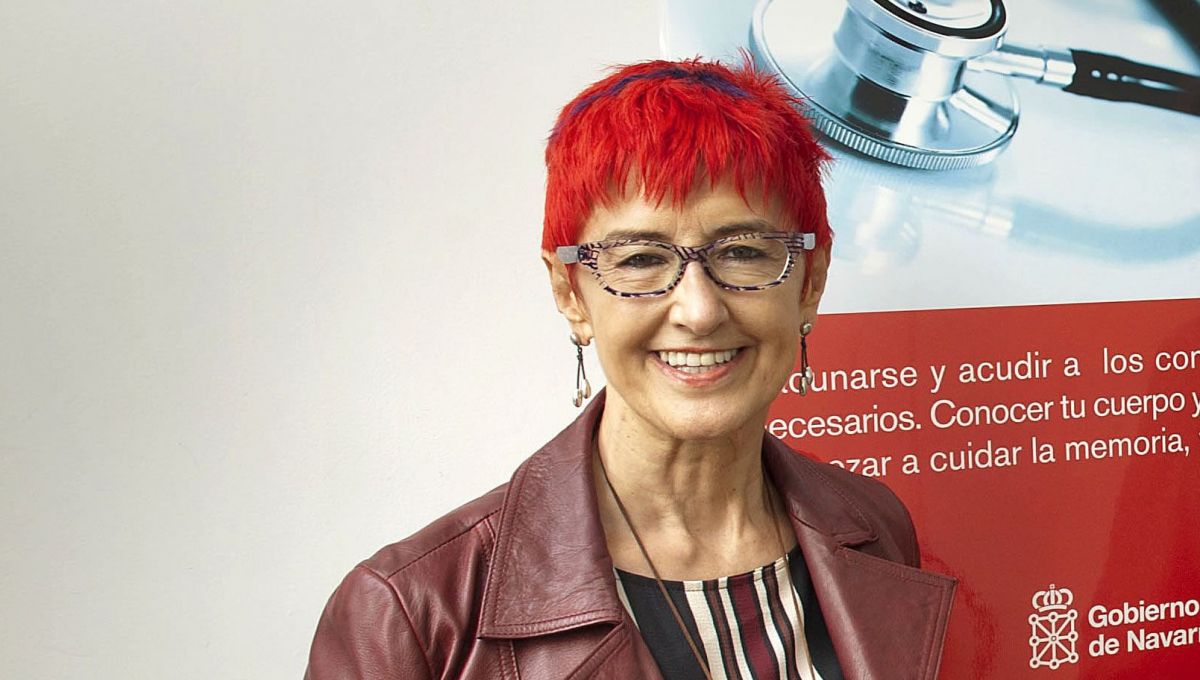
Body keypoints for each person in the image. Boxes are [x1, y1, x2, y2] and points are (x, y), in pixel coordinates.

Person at [305, 58, 955, 680]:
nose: (699, 311)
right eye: (641, 259)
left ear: (809, 282)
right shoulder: (412, 615)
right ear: (570, 293)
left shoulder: (874, 527)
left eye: (743, 252)